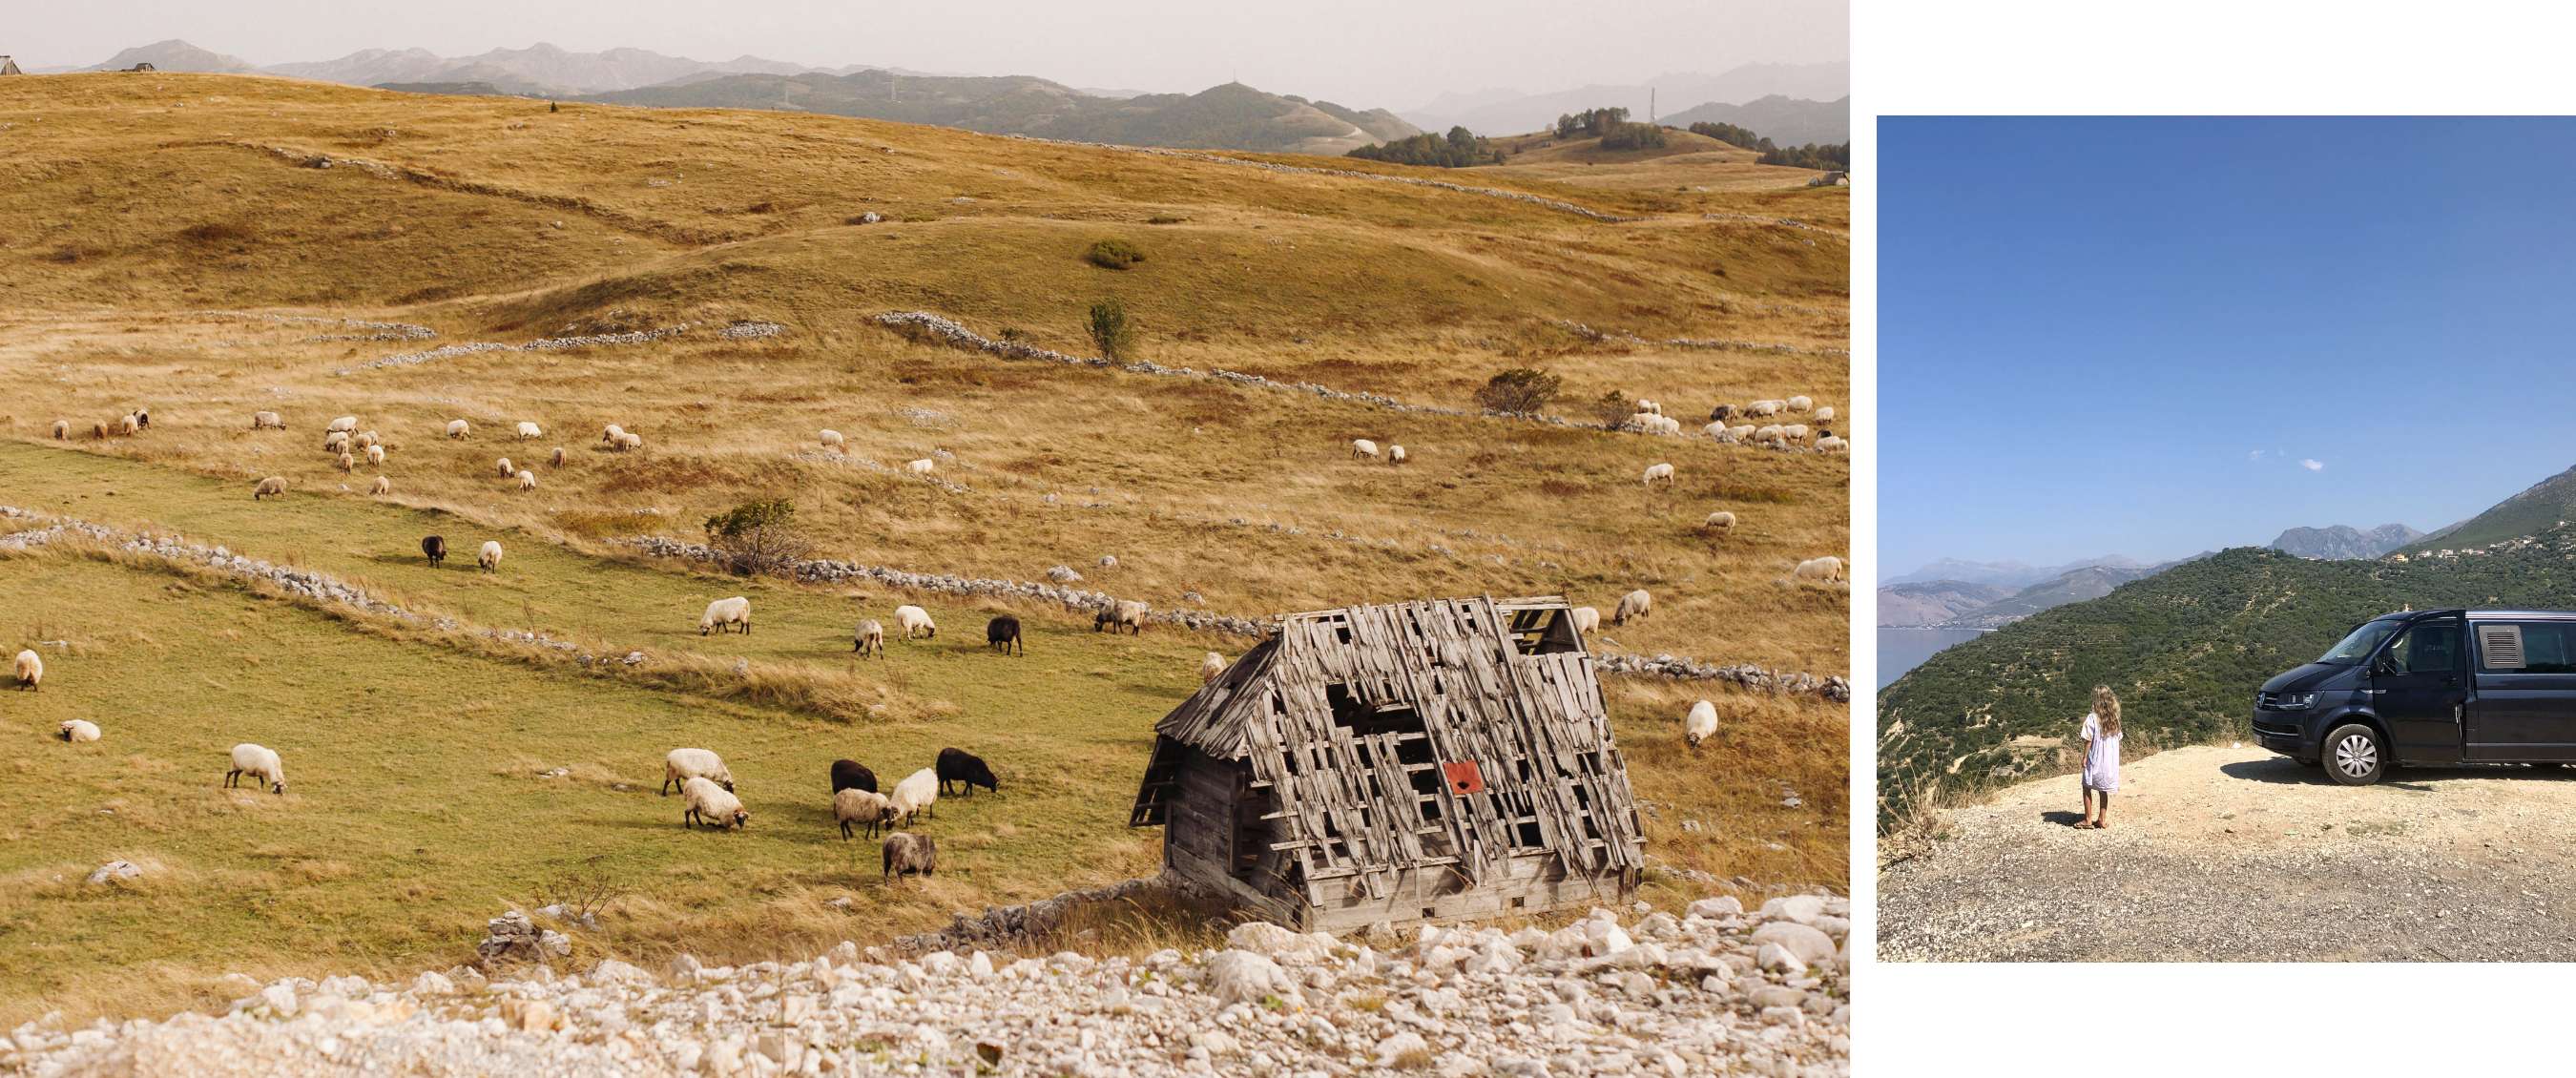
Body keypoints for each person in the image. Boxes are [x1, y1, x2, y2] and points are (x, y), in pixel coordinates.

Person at [2075, 685, 2123, 829]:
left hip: (2095, 758)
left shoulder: (2092, 718)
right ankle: (2101, 819)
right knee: (2103, 789)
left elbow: (2088, 739)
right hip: (2108, 760)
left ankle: (2088, 819)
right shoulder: (2114, 718)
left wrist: (2084, 757)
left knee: (2086, 786)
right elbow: (2118, 738)